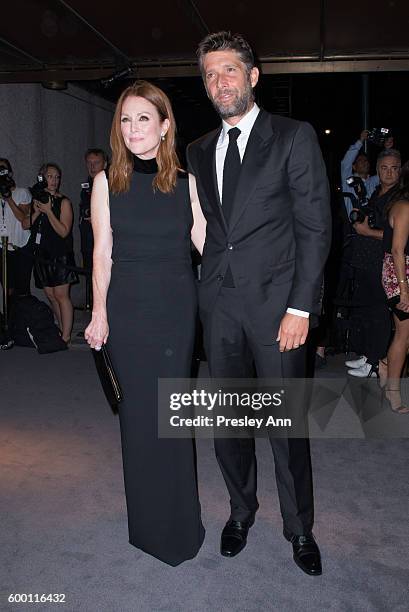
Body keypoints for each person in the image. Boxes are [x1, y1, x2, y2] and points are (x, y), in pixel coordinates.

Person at [187, 31, 331, 575]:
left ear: (252, 76)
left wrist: (301, 308)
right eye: (209, 74)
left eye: (229, 70)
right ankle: (240, 511)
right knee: (229, 420)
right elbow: (208, 229)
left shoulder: (292, 137)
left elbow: (316, 228)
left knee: (286, 425)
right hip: (219, 305)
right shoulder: (200, 150)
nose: (219, 81)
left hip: (279, 310)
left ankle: (299, 528)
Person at [84, 81, 206, 566]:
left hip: (176, 308)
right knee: (138, 419)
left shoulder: (186, 181)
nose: (133, 129)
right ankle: (149, 526)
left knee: (172, 416)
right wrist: (98, 312)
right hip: (129, 309)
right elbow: (101, 255)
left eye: (143, 119)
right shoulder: (105, 182)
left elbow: (208, 245)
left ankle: (181, 522)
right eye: (126, 119)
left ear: (164, 125)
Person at [346, 149, 401, 378]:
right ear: (378, 170)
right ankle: (369, 357)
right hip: (366, 261)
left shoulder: (400, 198)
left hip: (384, 261)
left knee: (379, 314)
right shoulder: (377, 191)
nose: (389, 172)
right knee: (368, 311)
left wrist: (368, 231)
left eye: (393, 168)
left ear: (399, 170)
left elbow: (398, 235)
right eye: (384, 168)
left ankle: (377, 365)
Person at [25, 163, 78, 343]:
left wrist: (48, 211)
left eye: (57, 177)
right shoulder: (37, 199)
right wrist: (38, 212)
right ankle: (63, 327)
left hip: (60, 254)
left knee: (62, 295)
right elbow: (26, 225)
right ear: (42, 177)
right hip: (42, 254)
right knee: (50, 295)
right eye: (50, 176)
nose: (54, 180)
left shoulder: (64, 202)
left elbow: (64, 232)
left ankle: (65, 336)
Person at [381, 161, 409, 413]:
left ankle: (383, 364)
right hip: (400, 275)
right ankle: (393, 392)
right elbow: (398, 251)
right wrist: (404, 290)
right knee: (404, 334)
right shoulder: (403, 206)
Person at [340, 129, 394, 216]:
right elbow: (345, 163)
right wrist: (361, 140)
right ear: (354, 166)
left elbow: (388, 170)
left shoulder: (374, 181)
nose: (365, 162)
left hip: (372, 227)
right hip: (353, 227)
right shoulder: (349, 181)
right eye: (361, 160)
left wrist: (388, 149)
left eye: (366, 160)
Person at [79, 149, 108, 308]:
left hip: (105, 243)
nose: (92, 166)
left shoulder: (111, 184)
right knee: (91, 279)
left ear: (104, 164)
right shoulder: (86, 185)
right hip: (88, 241)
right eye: (89, 163)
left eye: (96, 163)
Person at [0, 158, 32, 296]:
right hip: (2, 247)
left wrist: (9, 199)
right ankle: (9, 316)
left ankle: (21, 317)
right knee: (7, 288)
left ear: (10, 173)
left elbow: (23, 218)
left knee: (22, 288)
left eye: (4, 169)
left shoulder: (22, 192)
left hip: (20, 246)